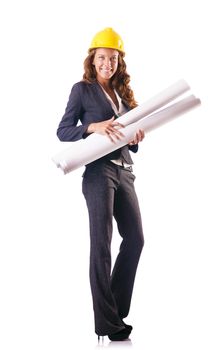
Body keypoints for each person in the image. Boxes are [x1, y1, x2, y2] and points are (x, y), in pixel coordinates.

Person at [57, 27, 145, 341]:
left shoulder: (124, 95)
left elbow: (129, 140)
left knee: (135, 239)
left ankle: (114, 310)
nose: (108, 63)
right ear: (93, 60)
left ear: (119, 62)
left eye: (113, 59)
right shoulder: (82, 90)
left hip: (125, 171)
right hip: (98, 172)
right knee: (101, 245)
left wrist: (136, 137)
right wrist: (93, 126)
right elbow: (64, 130)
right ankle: (107, 324)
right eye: (102, 57)